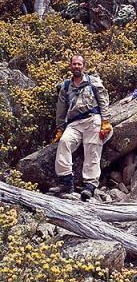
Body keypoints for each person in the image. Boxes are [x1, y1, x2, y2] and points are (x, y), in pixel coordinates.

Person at [51, 54, 112, 200]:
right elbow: (61, 109)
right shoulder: (65, 86)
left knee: (92, 148)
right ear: (70, 66)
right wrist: (60, 128)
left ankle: (90, 186)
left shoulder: (93, 82)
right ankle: (66, 181)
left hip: (92, 118)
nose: (76, 66)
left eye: (79, 64)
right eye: (74, 64)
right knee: (64, 142)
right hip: (74, 123)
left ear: (84, 66)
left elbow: (103, 101)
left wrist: (105, 121)